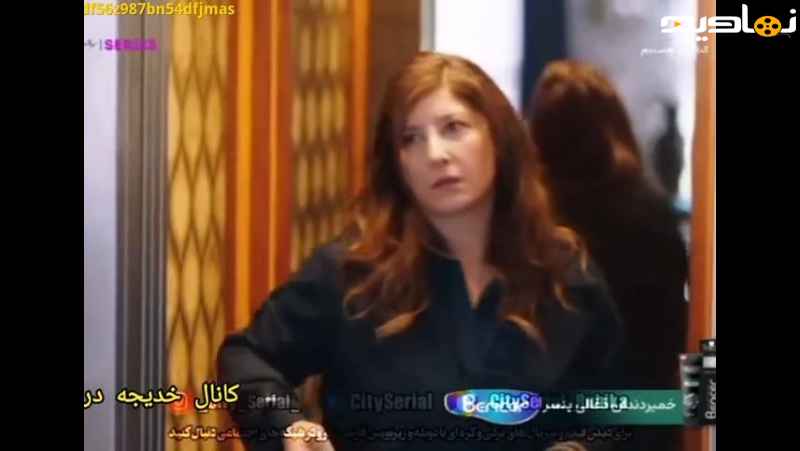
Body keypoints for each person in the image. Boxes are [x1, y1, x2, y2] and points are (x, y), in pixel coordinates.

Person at [218, 52, 627, 451]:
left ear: (498, 138)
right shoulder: (352, 274)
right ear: (397, 164)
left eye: (453, 128)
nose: (435, 154)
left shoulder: (563, 275)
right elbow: (246, 358)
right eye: (411, 139)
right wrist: (288, 426)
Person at [527, 60, 690, 451]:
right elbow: (673, 332)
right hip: (649, 416)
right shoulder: (652, 212)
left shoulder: (533, 224)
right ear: (614, 126)